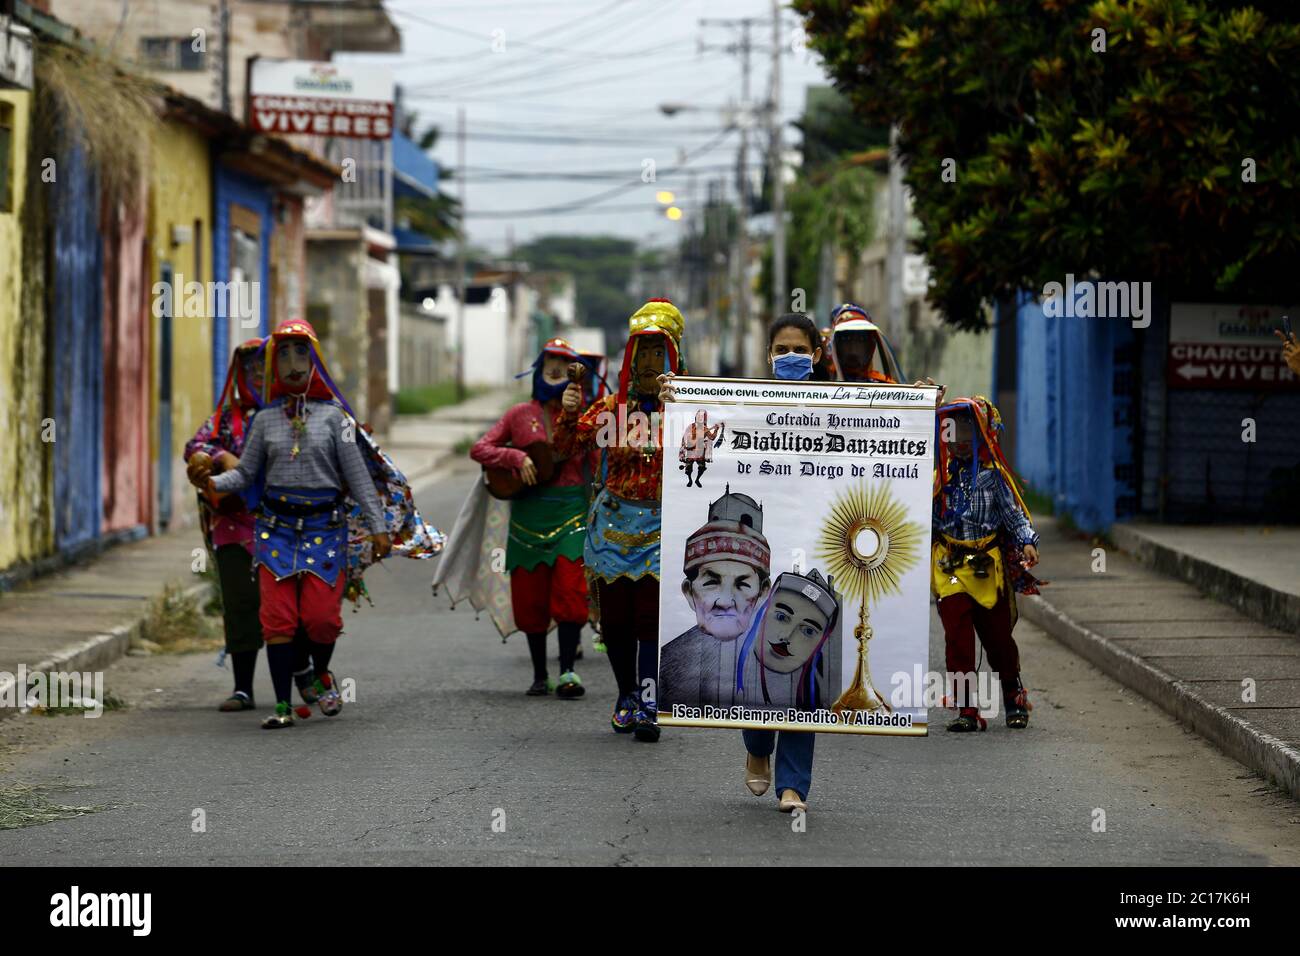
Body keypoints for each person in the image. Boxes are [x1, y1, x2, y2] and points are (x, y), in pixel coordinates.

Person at [196, 319, 401, 729]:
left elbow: (358, 478)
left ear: (315, 360)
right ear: (274, 365)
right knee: (278, 621)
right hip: (275, 530)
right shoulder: (264, 421)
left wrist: (379, 527)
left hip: (326, 528)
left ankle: (321, 672)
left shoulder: (336, 419)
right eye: (284, 355)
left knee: (322, 620)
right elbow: (245, 475)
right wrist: (212, 481)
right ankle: (283, 706)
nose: (293, 363)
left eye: (301, 353)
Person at [554, 298, 686, 743]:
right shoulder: (610, 408)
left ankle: (649, 703)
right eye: (642, 353)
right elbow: (568, 448)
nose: (650, 363)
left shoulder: (689, 410)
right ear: (630, 358)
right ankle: (626, 694)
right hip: (611, 527)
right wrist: (570, 407)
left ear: (673, 359)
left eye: (659, 353)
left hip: (663, 529)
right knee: (616, 622)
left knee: (650, 618)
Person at [469, 338, 594, 698]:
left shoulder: (585, 414)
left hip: (571, 512)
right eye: (549, 362)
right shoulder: (518, 414)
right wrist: (514, 459)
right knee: (530, 598)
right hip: (527, 516)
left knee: (571, 593)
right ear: (539, 369)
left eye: (563, 363)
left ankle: (568, 670)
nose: (555, 369)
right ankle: (540, 674)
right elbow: (480, 448)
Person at [932, 396, 1041, 732]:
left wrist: (1026, 540)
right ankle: (966, 710)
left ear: (982, 433)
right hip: (949, 565)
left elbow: (1014, 516)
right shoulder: (938, 479)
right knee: (957, 638)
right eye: (953, 430)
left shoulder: (994, 478)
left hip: (986, 565)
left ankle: (1013, 695)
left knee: (998, 640)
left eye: (967, 429)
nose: (959, 438)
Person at [184, 339, 267, 712]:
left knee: (290, 605)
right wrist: (217, 455)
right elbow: (195, 446)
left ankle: (305, 675)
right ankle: (243, 688)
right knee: (239, 603)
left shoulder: (296, 414)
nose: (261, 377)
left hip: (289, 524)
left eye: (268, 370)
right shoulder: (224, 419)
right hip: (233, 525)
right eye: (253, 371)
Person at [659, 486, 771, 707]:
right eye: (711, 583)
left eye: (743, 584)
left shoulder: (781, 656)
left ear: (763, 593)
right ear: (689, 592)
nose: (725, 602)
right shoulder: (669, 661)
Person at [826, 303, 904, 384]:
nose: (853, 349)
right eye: (846, 339)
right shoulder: (822, 380)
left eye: (860, 340)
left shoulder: (885, 386)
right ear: (835, 344)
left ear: (870, 346)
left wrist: (916, 392)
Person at [678, 409, 722, 487]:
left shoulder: (705, 428)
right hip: (690, 450)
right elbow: (684, 438)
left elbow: (711, 438)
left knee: (701, 467)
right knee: (688, 467)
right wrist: (683, 450)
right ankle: (690, 479)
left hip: (700, 451)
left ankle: (697, 479)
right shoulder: (690, 426)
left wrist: (716, 430)